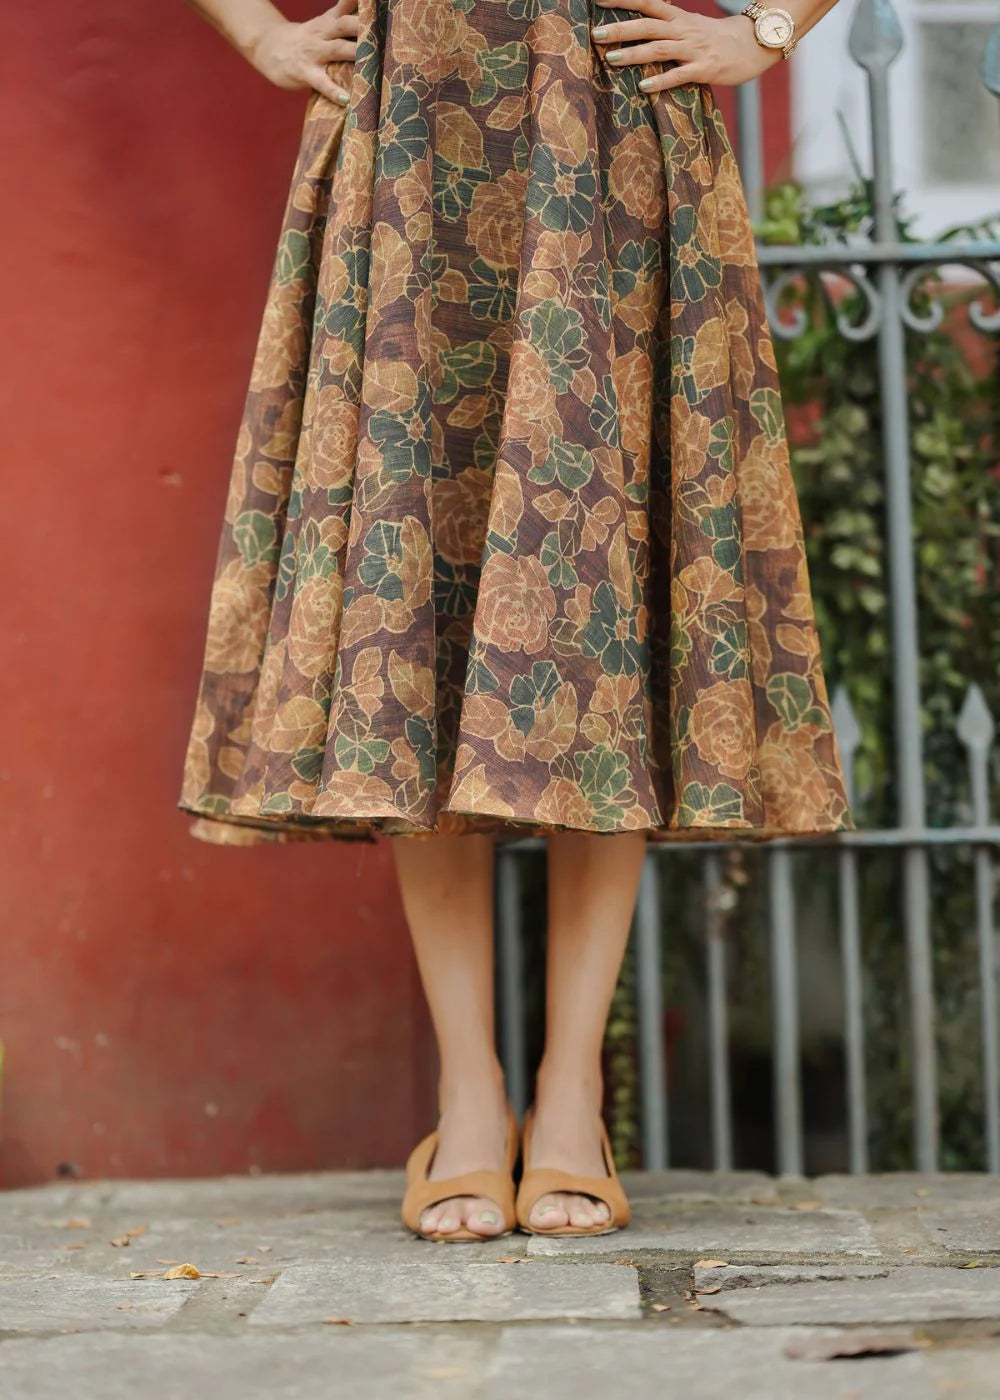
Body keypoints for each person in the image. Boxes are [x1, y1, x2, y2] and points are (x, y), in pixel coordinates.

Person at [179, 0, 850, 1241]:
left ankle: (569, 1096)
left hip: (609, 134)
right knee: (417, 609)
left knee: (598, 610)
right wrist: (262, 37)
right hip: (411, 148)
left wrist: (765, 31)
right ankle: (469, 1095)